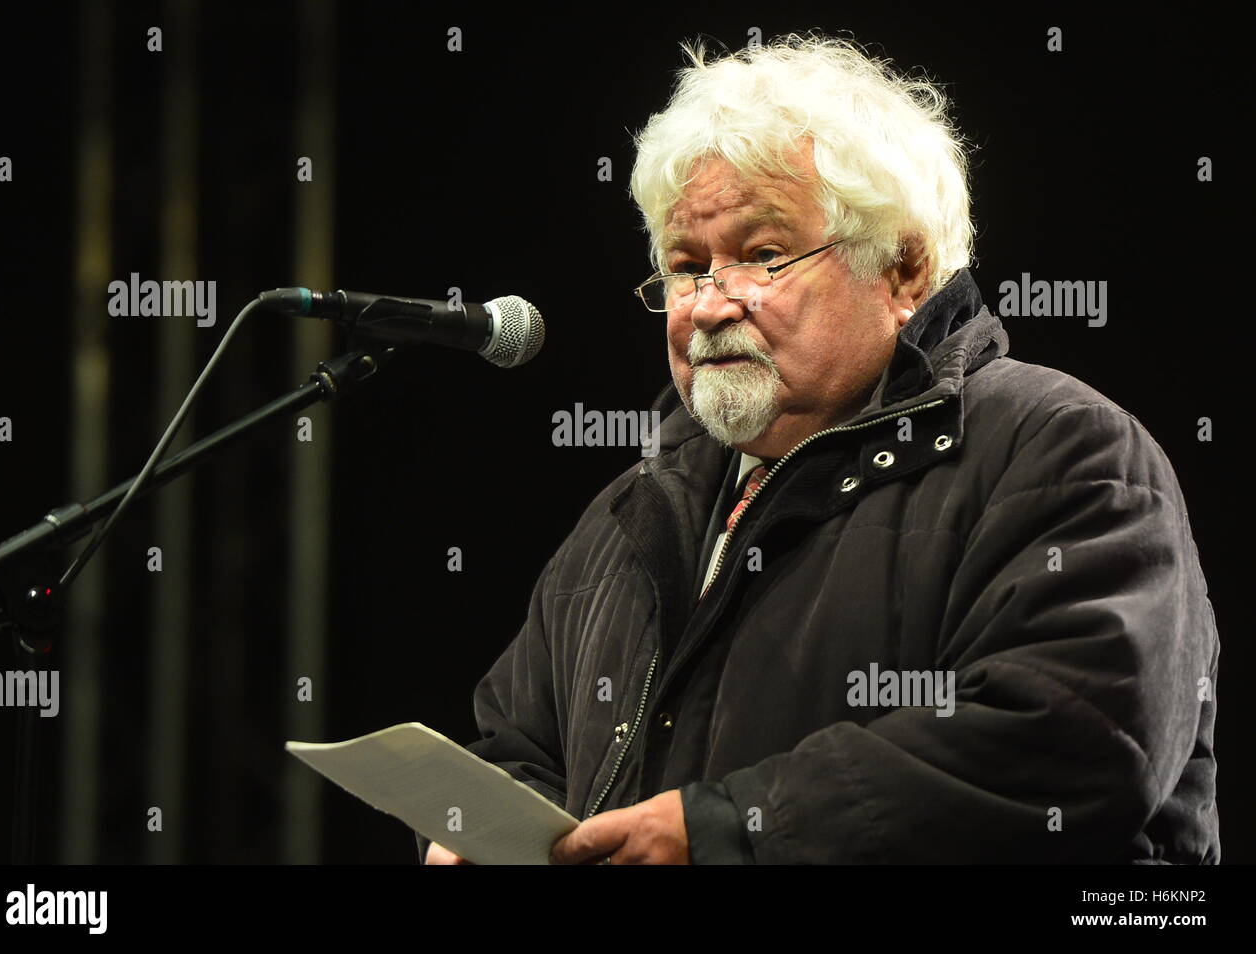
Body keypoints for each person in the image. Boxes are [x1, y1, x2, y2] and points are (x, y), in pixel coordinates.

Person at [420, 33, 1220, 864]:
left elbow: (1076, 743)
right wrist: (478, 833)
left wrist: (730, 833)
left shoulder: (1060, 449)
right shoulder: (627, 516)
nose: (710, 304)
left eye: (763, 256)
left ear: (904, 271)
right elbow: (515, 748)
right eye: (687, 267)